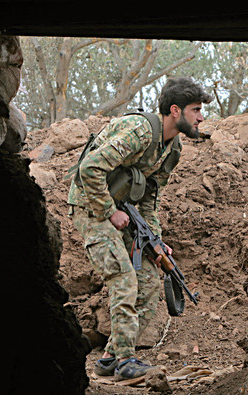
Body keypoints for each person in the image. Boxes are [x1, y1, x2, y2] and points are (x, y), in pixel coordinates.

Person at [67, 77, 212, 381]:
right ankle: (126, 361)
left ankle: (110, 357)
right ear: (175, 110)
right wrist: (108, 211)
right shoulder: (140, 131)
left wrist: (154, 241)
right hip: (90, 205)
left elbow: (148, 198)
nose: (201, 117)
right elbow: (90, 168)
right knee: (122, 275)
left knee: (147, 281)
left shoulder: (172, 149)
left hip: (124, 209)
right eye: (196, 110)